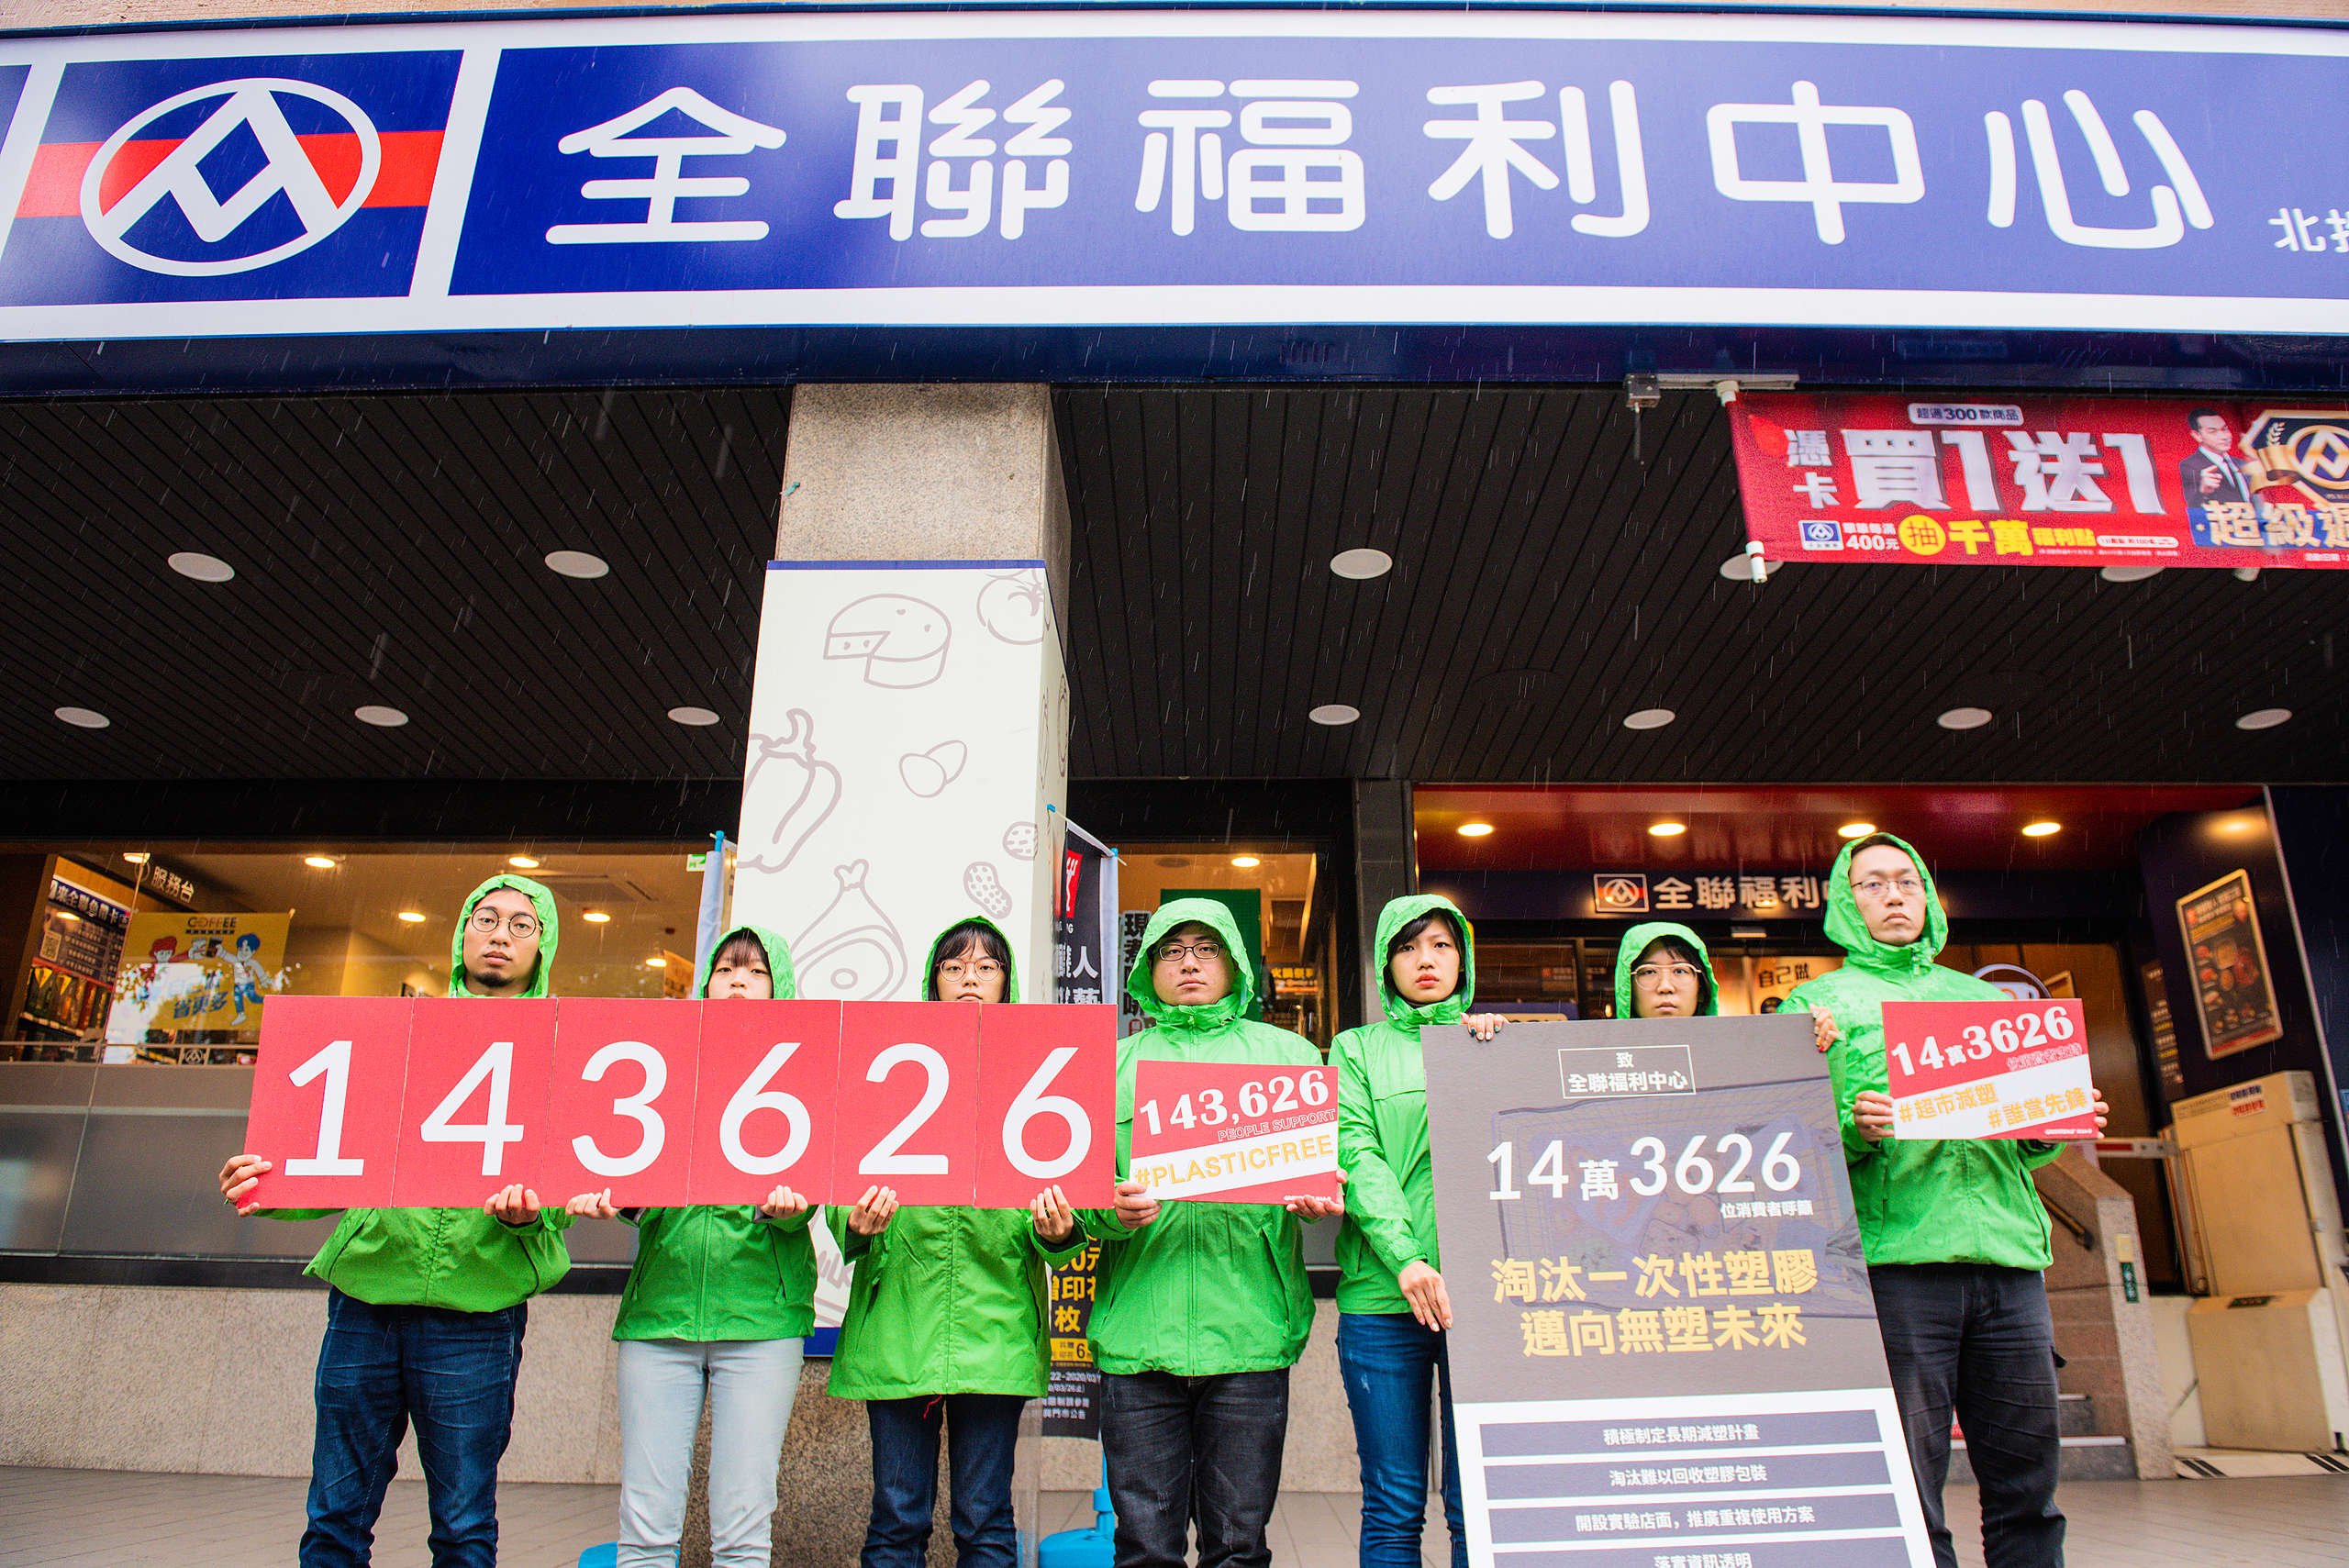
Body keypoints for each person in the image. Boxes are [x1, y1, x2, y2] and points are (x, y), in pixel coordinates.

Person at [217, 874, 572, 1568]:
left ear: (544, 944)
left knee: (465, 1526)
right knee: (334, 1519)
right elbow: (338, 1153)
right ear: (462, 930)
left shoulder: (561, 1050)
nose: (500, 934)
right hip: (366, 1301)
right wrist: (265, 1182)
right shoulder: (395, 1034)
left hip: (478, 1309)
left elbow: (563, 1194)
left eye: (521, 925)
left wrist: (534, 1216)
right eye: (486, 917)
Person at [1781, 834, 2109, 1568]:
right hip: (1898, 1267)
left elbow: (2026, 1143)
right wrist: (1856, 1130)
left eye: (1906, 880)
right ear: (1845, 902)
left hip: (2010, 1264)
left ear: (1928, 894)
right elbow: (1797, 1141)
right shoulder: (1817, 1005)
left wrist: (2059, 1117)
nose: (1893, 895)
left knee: (2029, 1487)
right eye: (1872, 884)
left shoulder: (1987, 1002)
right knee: (1909, 1487)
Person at [1079, 896, 1344, 1568]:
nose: (1190, 962)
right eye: (1172, 950)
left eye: (1206, 948)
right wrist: (1111, 1211)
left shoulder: (1287, 1055)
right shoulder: (1110, 1064)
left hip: (1250, 1331)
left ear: (1234, 962)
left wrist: (1316, 1198)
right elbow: (1078, 1202)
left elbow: (1319, 1178)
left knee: (1240, 1545)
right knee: (1143, 1548)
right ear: (1148, 967)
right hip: (1139, 1332)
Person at [829, 916, 1086, 1568]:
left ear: (1008, 981)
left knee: (985, 1519)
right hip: (899, 1321)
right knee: (896, 1517)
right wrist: (853, 1223)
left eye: (987, 965)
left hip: (994, 1321)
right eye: (954, 965)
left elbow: (1063, 1199)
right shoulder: (886, 1066)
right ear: (933, 981)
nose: (970, 975)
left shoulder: (1037, 1073)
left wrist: (1058, 1233)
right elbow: (842, 1184)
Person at [564, 924, 815, 1568]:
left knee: (742, 1527)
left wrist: (793, 1211)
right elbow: (628, 1175)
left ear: (779, 987)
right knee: (645, 1525)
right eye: (726, 968)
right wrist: (625, 1200)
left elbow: (825, 1189)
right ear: (704, 982)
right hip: (660, 1316)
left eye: (756, 971)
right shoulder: (658, 1067)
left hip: (760, 1320)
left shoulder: (807, 1073)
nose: (738, 979)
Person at [1331, 894, 1507, 1568]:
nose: (1425, 959)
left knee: (1477, 1502)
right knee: (1394, 1502)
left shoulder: (1489, 1041)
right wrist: (1406, 1256)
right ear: (1384, 963)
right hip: (1382, 1296)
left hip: (1484, 1298)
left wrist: (1488, 1052)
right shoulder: (1356, 1048)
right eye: (1407, 947)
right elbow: (1358, 1153)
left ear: (1462, 956)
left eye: (1439, 944)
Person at [1615, 921, 1838, 1053]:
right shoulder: (1603, 1063)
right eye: (1649, 972)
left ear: (1702, 989)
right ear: (1628, 990)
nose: (1665, 986)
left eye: (1680, 971)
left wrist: (1819, 1045)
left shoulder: (1737, 1055)